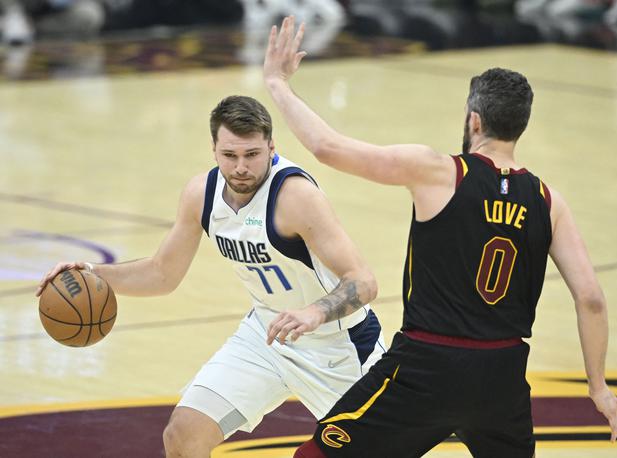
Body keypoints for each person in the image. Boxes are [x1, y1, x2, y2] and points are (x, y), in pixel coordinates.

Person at [262, 16, 617, 458]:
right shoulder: (548, 200)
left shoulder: (440, 172)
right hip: (502, 375)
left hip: (428, 365)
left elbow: (328, 148)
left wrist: (277, 83)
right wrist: (599, 385)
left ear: (474, 120)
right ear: (520, 125)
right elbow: (591, 299)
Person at [35, 95, 386, 458]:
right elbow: (162, 274)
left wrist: (313, 313)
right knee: (184, 436)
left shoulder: (295, 197)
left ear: (271, 147)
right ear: (214, 150)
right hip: (265, 337)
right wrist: (92, 273)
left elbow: (363, 281)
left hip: (338, 347)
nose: (241, 167)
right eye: (229, 155)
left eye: (252, 155)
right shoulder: (202, 193)